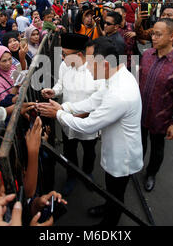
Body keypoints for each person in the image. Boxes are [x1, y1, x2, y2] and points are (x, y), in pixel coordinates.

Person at [37, 37, 143, 226]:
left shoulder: (120, 93)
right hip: (114, 147)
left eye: (90, 62)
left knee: (117, 193)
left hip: (122, 155)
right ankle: (107, 207)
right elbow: (93, 102)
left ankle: (108, 225)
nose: (85, 67)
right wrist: (65, 108)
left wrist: (59, 114)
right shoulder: (116, 76)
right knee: (112, 190)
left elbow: (88, 125)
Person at [41, 33, 102, 196]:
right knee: (69, 150)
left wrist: (80, 115)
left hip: (88, 121)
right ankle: (72, 176)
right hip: (66, 119)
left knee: (89, 151)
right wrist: (53, 91)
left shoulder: (94, 70)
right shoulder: (64, 66)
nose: (61, 57)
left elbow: (99, 100)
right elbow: (61, 84)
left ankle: (87, 174)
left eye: (65, 54)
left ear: (79, 55)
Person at [139, 19, 173, 192]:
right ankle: (136, 165)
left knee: (157, 149)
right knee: (139, 144)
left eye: (158, 34)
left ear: (172, 36)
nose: (153, 37)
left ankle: (151, 173)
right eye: (153, 33)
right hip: (140, 113)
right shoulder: (147, 55)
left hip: (160, 118)